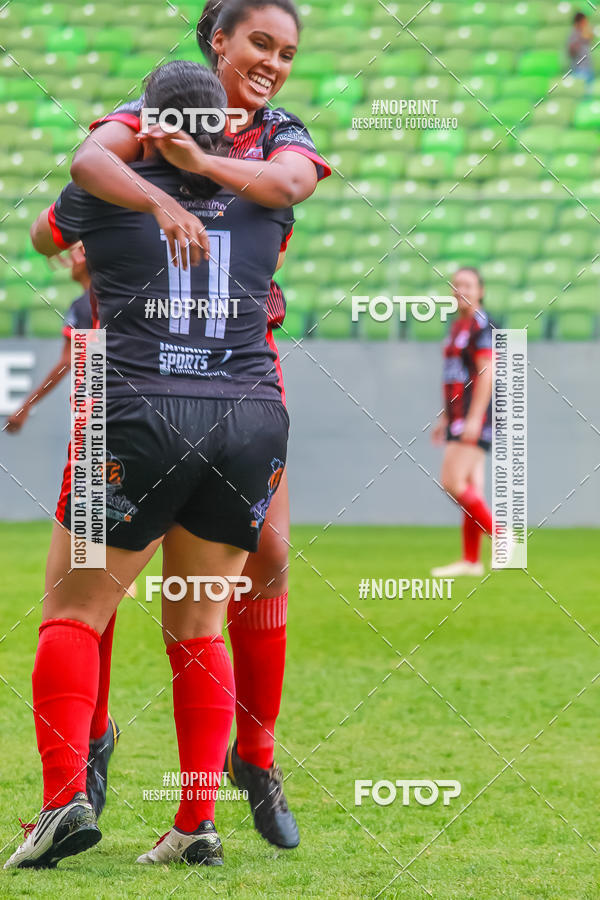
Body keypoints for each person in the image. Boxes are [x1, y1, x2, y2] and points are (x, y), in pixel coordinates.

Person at [5, 60, 291, 870]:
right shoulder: (266, 197)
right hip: (248, 417)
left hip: (132, 416)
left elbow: (41, 236)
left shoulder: (107, 184)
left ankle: (63, 800)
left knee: (73, 613)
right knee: (201, 626)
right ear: (223, 127)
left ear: (145, 123)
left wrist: (125, 162)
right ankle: (196, 819)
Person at [67, 0, 330, 850]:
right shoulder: (144, 114)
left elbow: (291, 185)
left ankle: (254, 757)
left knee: (271, 558)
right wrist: (152, 191)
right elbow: (72, 189)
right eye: (260, 42)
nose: (273, 62)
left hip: (240, 365)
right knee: (96, 571)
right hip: (133, 361)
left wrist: (194, 169)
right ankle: (92, 746)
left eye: (287, 51)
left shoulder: (279, 130)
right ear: (218, 41)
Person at [431, 267, 494, 577]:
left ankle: (504, 538)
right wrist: (446, 417)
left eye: (467, 284)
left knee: (452, 482)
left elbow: (486, 373)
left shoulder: (483, 325)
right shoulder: (458, 326)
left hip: (474, 418)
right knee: (470, 487)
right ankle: (471, 561)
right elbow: (455, 376)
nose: (460, 289)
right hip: (459, 416)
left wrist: (474, 418)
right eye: (456, 284)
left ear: (480, 290)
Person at [4, 245, 95, 434]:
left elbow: (68, 361)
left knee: (91, 463)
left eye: (76, 256)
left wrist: (27, 404)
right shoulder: (114, 300)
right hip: (124, 404)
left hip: (94, 411)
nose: (70, 262)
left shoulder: (82, 306)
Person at [567, 12, 594, 85]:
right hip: (579, 69)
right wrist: (580, 39)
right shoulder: (574, 34)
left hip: (588, 67)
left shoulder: (584, 33)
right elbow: (571, 51)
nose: (586, 23)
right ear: (578, 22)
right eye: (584, 21)